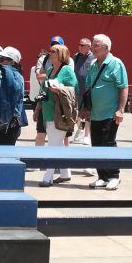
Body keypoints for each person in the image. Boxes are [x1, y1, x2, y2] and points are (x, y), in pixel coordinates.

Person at [80, 34, 128, 190]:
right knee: (96, 145)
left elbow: (123, 87)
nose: (93, 47)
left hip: (109, 113)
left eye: (96, 45)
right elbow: (88, 87)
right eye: (93, 44)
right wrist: (86, 108)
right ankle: (102, 176)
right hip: (95, 113)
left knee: (108, 144)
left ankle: (114, 176)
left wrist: (120, 110)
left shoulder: (116, 63)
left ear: (107, 48)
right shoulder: (93, 64)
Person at [39, 44, 77, 186]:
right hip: (48, 110)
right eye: (50, 51)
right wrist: (38, 108)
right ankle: (65, 173)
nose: (50, 53)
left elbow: (74, 88)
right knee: (58, 144)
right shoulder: (49, 70)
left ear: (61, 54)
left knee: (53, 146)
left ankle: (47, 177)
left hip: (60, 112)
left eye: (53, 51)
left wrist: (58, 89)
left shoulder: (66, 70)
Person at [0, 46, 27, 146]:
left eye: (6, 59)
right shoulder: (19, 76)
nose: (2, 61)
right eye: (1, 58)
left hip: (3, 122)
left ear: (13, 62)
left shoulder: (1, 73)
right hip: (14, 122)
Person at [72, 38, 95, 145]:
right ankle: (80, 129)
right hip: (77, 90)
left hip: (88, 91)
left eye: (82, 45)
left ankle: (87, 135)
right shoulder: (76, 57)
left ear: (89, 46)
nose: (79, 46)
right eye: (79, 44)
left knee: (88, 113)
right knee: (76, 112)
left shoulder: (94, 57)